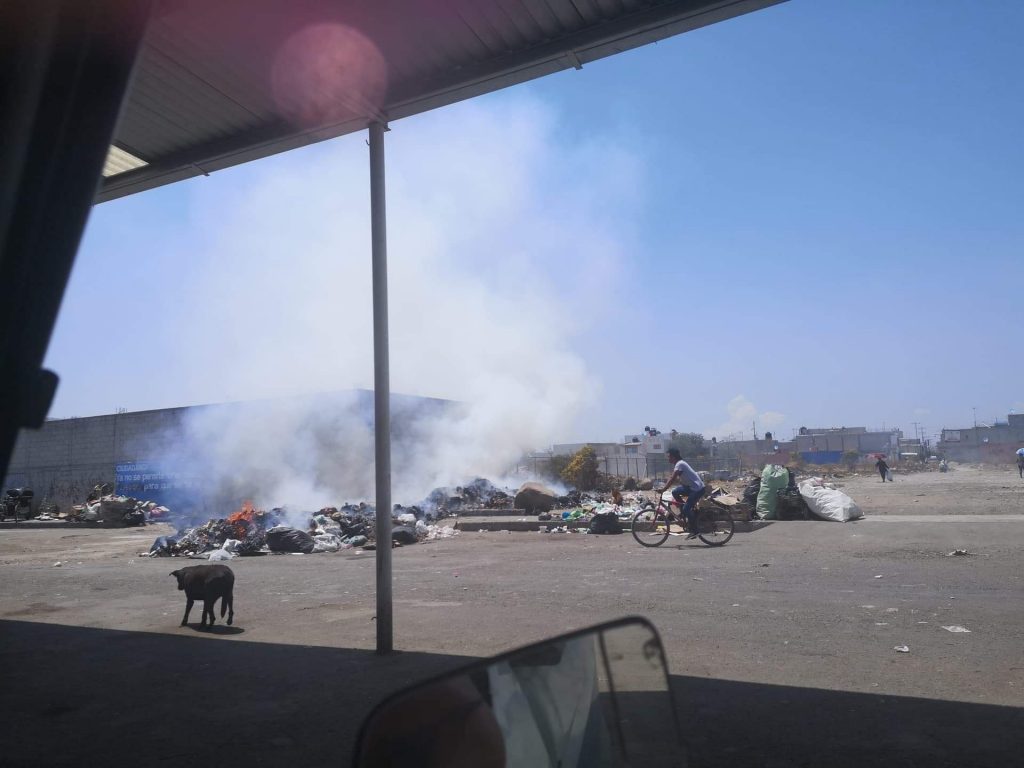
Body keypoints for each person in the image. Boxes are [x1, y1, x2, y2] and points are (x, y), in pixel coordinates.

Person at [659, 448, 705, 540]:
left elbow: (673, 478)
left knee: (686, 509)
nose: (668, 459)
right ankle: (684, 512)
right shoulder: (679, 464)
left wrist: (664, 489)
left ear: (673, 457)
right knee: (675, 492)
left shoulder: (680, 464)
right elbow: (675, 478)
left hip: (697, 489)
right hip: (691, 487)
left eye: (669, 457)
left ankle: (695, 531)